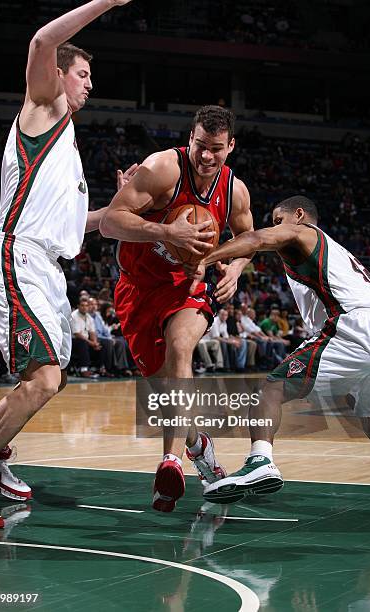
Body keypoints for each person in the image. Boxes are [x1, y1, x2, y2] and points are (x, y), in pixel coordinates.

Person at [0, 0, 135, 529]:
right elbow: (42, 41)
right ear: (60, 76)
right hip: (16, 253)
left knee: (51, 378)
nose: (90, 84)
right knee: (43, 379)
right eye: (84, 74)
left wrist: (117, 209)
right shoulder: (44, 109)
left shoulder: (67, 149)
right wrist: (105, 3)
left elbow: (78, 226)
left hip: (45, 263)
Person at [100, 105, 254, 512]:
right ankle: (198, 445)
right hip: (137, 287)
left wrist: (235, 269)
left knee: (180, 348)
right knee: (163, 388)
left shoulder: (235, 190)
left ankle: (170, 462)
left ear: (231, 147)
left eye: (216, 149)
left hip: (189, 285)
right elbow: (110, 222)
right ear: (190, 138)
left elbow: (249, 237)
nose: (206, 156)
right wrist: (166, 231)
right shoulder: (162, 169)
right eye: (200, 146)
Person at [202, 195, 370, 503]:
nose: (276, 228)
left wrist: (200, 260)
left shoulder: (303, 232)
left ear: (299, 215)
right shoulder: (335, 251)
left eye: (278, 220)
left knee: (271, 389)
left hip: (355, 326)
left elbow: (256, 238)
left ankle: (260, 461)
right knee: (369, 410)